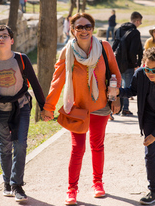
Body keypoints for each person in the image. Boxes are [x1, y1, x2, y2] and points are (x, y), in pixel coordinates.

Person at [41, 13, 122, 205]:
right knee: (78, 149)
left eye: (87, 27)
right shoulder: (67, 52)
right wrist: (48, 107)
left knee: (97, 145)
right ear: (72, 30)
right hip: (77, 108)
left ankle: (98, 183)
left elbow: (116, 74)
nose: (84, 30)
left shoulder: (104, 47)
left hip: (101, 106)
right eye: (79, 27)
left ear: (92, 28)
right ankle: (71, 189)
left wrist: (116, 97)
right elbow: (57, 81)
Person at [0, 24, 45, 202]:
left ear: (11, 40)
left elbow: (35, 84)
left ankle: (17, 185)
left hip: (21, 107)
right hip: (0, 110)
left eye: (5, 36)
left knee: (21, 145)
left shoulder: (21, 59)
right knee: (5, 148)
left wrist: (44, 107)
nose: (1, 38)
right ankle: (6, 182)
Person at [110, 47, 155, 205]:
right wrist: (118, 92)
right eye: (146, 68)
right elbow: (132, 90)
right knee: (150, 151)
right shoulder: (140, 74)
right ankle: (154, 191)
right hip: (149, 116)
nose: (149, 73)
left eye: (154, 70)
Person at [112, 11, 144, 116]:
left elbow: (114, 46)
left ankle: (115, 108)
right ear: (137, 21)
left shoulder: (119, 29)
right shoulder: (135, 32)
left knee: (117, 85)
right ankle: (125, 109)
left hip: (116, 63)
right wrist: (136, 63)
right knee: (127, 87)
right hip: (129, 64)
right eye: (140, 22)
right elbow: (134, 50)